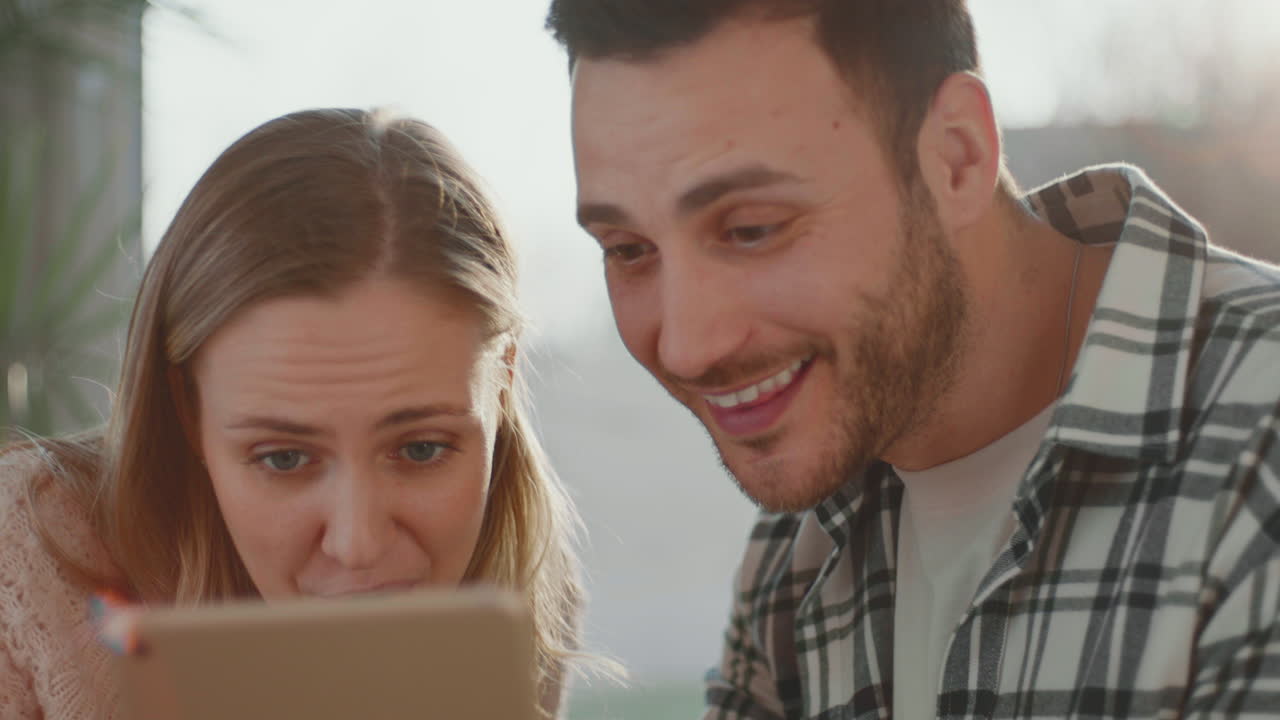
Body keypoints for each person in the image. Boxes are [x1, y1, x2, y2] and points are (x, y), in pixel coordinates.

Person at [545, 1, 1280, 717]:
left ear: (956, 157)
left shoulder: (1257, 443)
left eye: (751, 230)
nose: (686, 345)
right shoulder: (801, 539)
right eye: (629, 251)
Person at [0, 108, 583, 719]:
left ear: (503, 383)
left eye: (421, 449)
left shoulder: (526, 585)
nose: (357, 544)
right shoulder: (32, 565)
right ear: (188, 412)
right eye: (284, 458)